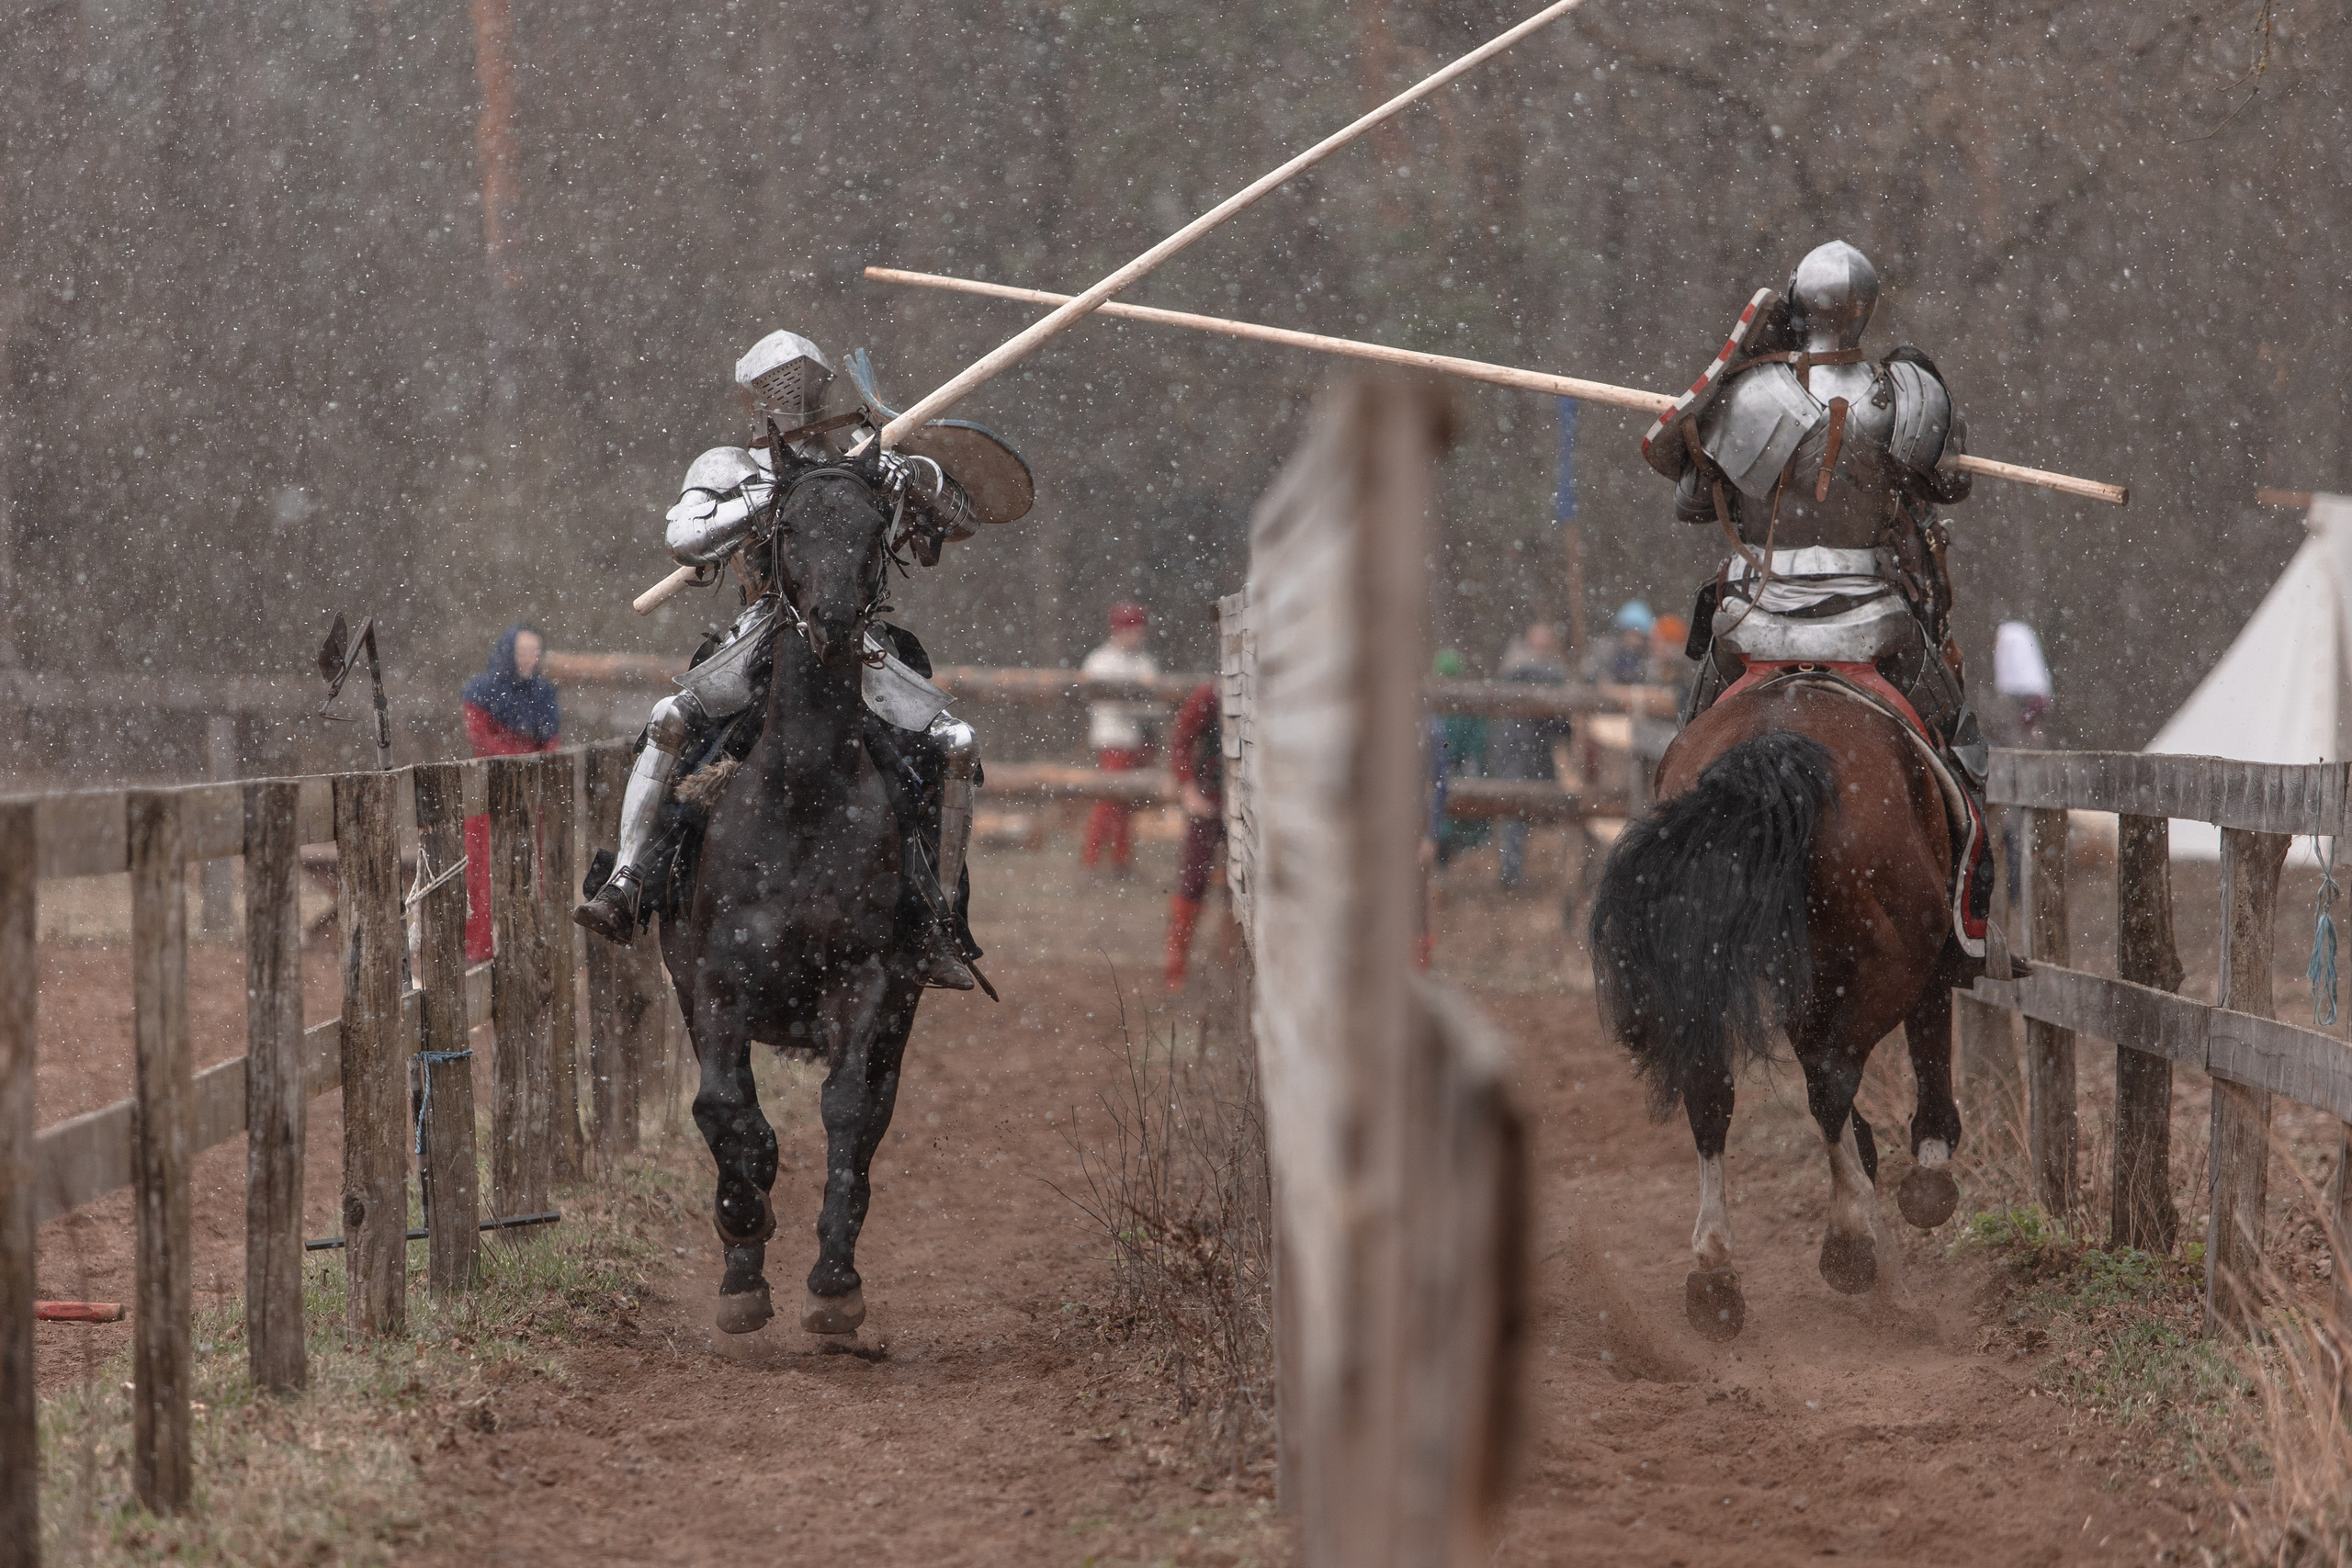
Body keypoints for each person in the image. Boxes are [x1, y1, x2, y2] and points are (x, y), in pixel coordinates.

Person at [570, 329, 1010, 991]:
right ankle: (630, 878)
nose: (792, 393)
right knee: (669, 719)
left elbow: (963, 517)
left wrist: (912, 475)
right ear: (751, 394)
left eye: (803, 380)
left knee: (954, 741)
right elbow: (684, 539)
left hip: (859, 641)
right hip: (763, 631)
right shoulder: (728, 465)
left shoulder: (860, 459)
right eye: (777, 384)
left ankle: (939, 918)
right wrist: (760, 499)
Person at [1640, 238, 1992, 942]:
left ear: (1797, 305)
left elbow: (1691, 503)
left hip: (1755, 617)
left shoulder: (1747, 393)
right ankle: (1969, 919)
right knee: (1961, 752)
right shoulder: (1907, 394)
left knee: (1688, 749)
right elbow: (1952, 482)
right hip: (1876, 617)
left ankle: (1662, 891)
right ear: (1865, 309)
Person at [461, 624, 561, 962]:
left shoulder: (543, 694)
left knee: (531, 865)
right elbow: (480, 736)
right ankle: (481, 948)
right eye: (522, 651)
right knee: (482, 870)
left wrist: (532, 767)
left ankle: (526, 943)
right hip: (487, 791)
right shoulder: (482, 690)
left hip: (530, 794)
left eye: (534, 652)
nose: (529, 659)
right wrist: (515, 761)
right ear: (508, 652)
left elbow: (550, 743)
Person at [1487, 623, 1571, 891]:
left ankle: (1519, 873)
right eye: (1541, 643)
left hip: (1534, 751)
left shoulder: (1534, 670)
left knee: (1527, 811)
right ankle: (1511, 875)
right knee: (1516, 811)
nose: (1544, 649)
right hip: (1517, 750)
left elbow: (1555, 716)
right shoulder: (1523, 669)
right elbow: (1548, 688)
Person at [1080, 604, 1158, 876]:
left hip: (1138, 738)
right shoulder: (1100, 661)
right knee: (1108, 801)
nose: (1138, 636)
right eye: (1133, 629)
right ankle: (1090, 861)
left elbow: (1152, 702)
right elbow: (1105, 705)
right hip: (1113, 739)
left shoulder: (1144, 660)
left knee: (1128, 802)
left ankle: (1121, 861)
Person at [1163, 678, 1224, 991]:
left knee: (1239, 883)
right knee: (1194, 880)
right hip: (1209, 799)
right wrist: (1189, 791)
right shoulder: (1210, 694)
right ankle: (1176, 967)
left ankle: (1227, 965)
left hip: (1246, 806)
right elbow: (1181, 740)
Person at [1987, 620, 2053, 748]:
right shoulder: (2022, 636)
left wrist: (2003, 686)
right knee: (2026, 728)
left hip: (2020, 692)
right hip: (2036, 690)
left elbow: (2006, 665)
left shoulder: (2009, 637)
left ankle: (2021, 752)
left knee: (2014, 729)